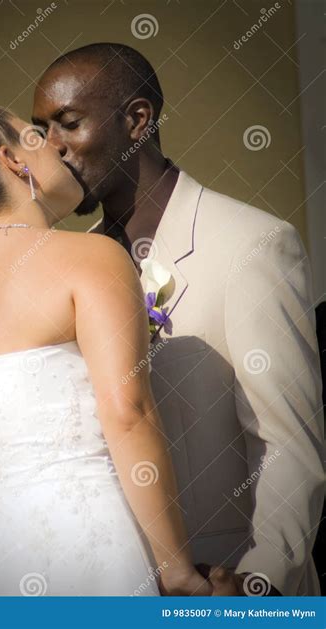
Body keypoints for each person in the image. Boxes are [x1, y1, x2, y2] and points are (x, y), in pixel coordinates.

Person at [0, 96, 213, 596]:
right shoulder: (90, 258)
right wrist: (176, 569)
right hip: (91, 558)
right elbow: (127, 413)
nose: (57, 148)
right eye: (35, 135)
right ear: (13, 160)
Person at [32, 43, 325, 596]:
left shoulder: (253, 244)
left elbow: (288, 443)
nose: (51, 150)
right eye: (40, 131)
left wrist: (262, 580)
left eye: (67, 124)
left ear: (137, 120)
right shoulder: (73, 270)